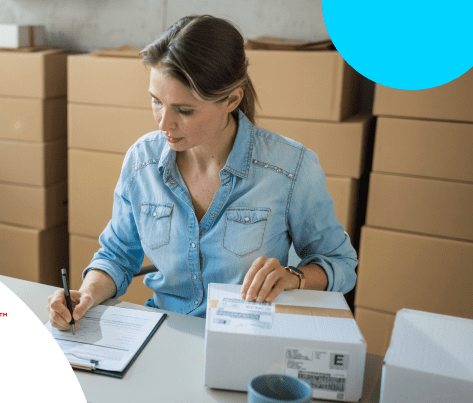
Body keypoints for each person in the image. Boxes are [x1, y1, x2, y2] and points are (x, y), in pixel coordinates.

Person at [48, 15, 357, 330]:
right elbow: (116, 256)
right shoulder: (142, 160)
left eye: (184, 110)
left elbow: (341, 264)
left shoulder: (290, 168)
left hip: (244, 339)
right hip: (164, 335)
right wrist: (86, 294)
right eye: (156, 102)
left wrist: (295, 277)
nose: (163, 123)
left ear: (231, 99)